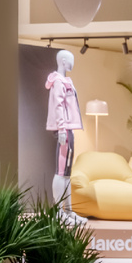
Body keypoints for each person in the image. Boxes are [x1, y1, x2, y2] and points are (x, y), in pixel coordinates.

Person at [46, 50, 86, 225]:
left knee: (67, 174)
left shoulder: (66, 81)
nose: (72, 64)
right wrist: (62, 128)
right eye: (71, 60)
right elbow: (58, 106)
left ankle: (68, 211)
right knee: (61, 172)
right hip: (65, 130)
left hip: (69, 129)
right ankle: (58, 212)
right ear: (63, 61)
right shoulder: (58, 82)